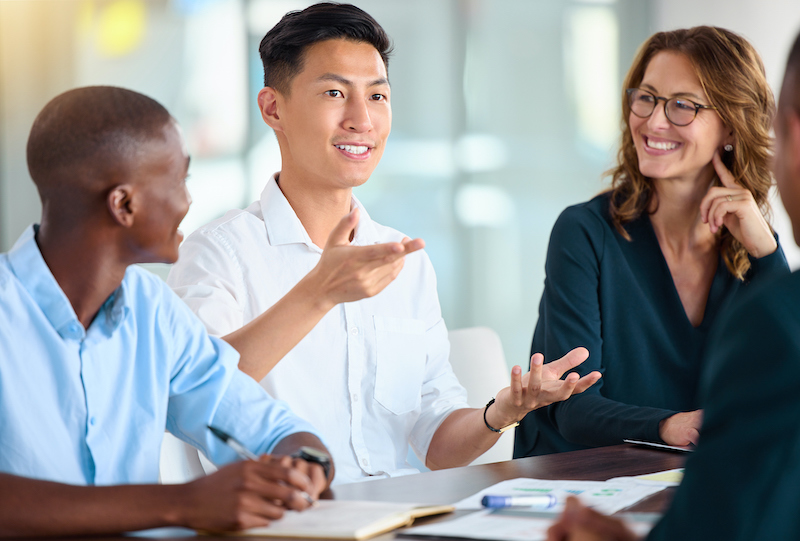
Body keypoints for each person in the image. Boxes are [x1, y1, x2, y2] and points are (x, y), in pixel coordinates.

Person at [167, 2, 601, 484]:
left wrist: (501, 412)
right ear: (273, 108)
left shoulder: (403, 259)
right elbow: (197, 397)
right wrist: (320, 293)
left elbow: (437, 445)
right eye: (335, 92)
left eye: (377, 96)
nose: (361, 119)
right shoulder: (218, 253)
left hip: (398, 513)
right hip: (283, 518)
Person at [0, 86, 334, 537]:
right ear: (124, 204)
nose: (188, 202)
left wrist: (304, 462)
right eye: (179, 180)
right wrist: (182, 504)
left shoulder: (153, 310)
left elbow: (263, 424)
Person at [546, 28, 800, 541]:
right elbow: (571, 405)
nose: (653, 120)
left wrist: (767, 253)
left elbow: (784, 380)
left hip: (690, 499)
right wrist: (671, 426)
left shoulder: (758, 251)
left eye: (682, 105)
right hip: (574, 496)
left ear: (730, 125)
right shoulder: (585, 232)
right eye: (647, 97)